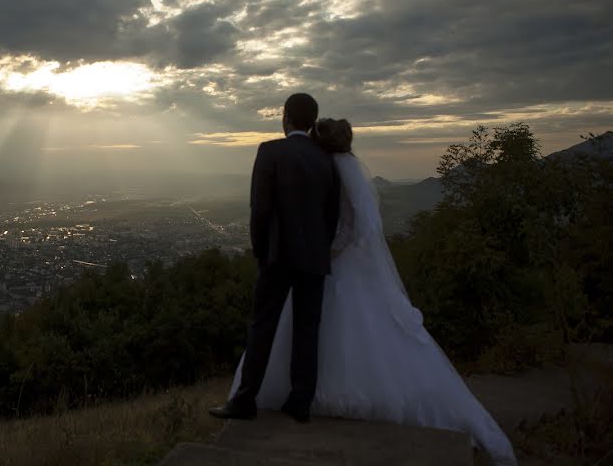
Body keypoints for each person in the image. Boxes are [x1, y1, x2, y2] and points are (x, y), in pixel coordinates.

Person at [223, 117, 518, 466]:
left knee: (330, 326)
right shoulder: (341, 166)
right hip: (333, 265)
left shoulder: (336, 169)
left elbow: (357, 228)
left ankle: (306, 396)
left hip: (336, 264)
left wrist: (325, 250)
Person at [209, 93, 340, 423]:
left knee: (262, 325)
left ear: (285, 117)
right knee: (308, 329)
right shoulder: (325, 158)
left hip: (277, 256)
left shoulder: (270, 151)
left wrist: (260, 252)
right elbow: (331, 215)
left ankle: (245, 399)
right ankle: (300, 402)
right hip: (314, 257)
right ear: (312, 120)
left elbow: (261, 210)